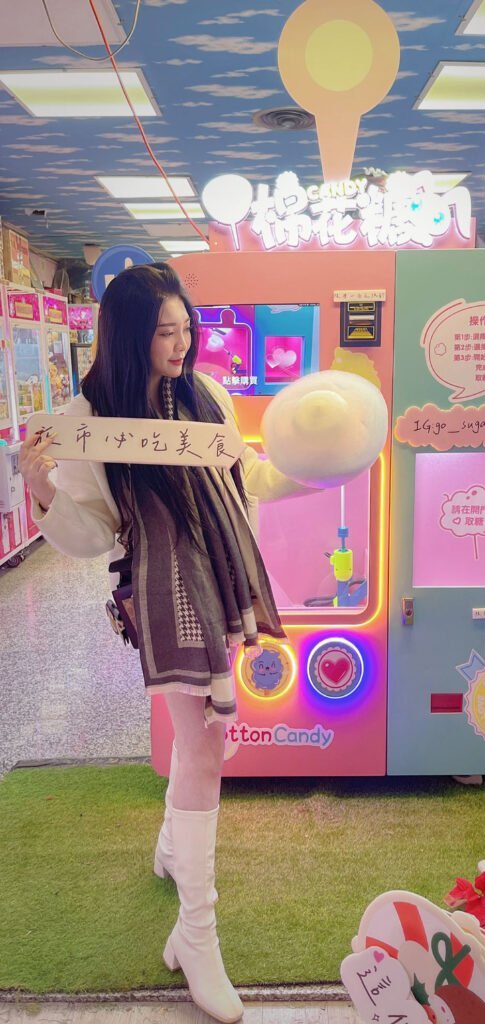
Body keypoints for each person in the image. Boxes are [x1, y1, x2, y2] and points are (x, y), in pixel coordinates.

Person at [19, 263, 312, 1024]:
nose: (181, 345)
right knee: (210, 744)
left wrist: (318, 468)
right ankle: (196, 935)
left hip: (222, 583)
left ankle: (171, 850)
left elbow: (242, 480)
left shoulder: (204, 395)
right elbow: (90, 534)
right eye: (165, 333)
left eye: (187, 330)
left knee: (207, 739)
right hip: (162, 594)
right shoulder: (91, 418)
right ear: (127, 335)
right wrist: (44, 489)